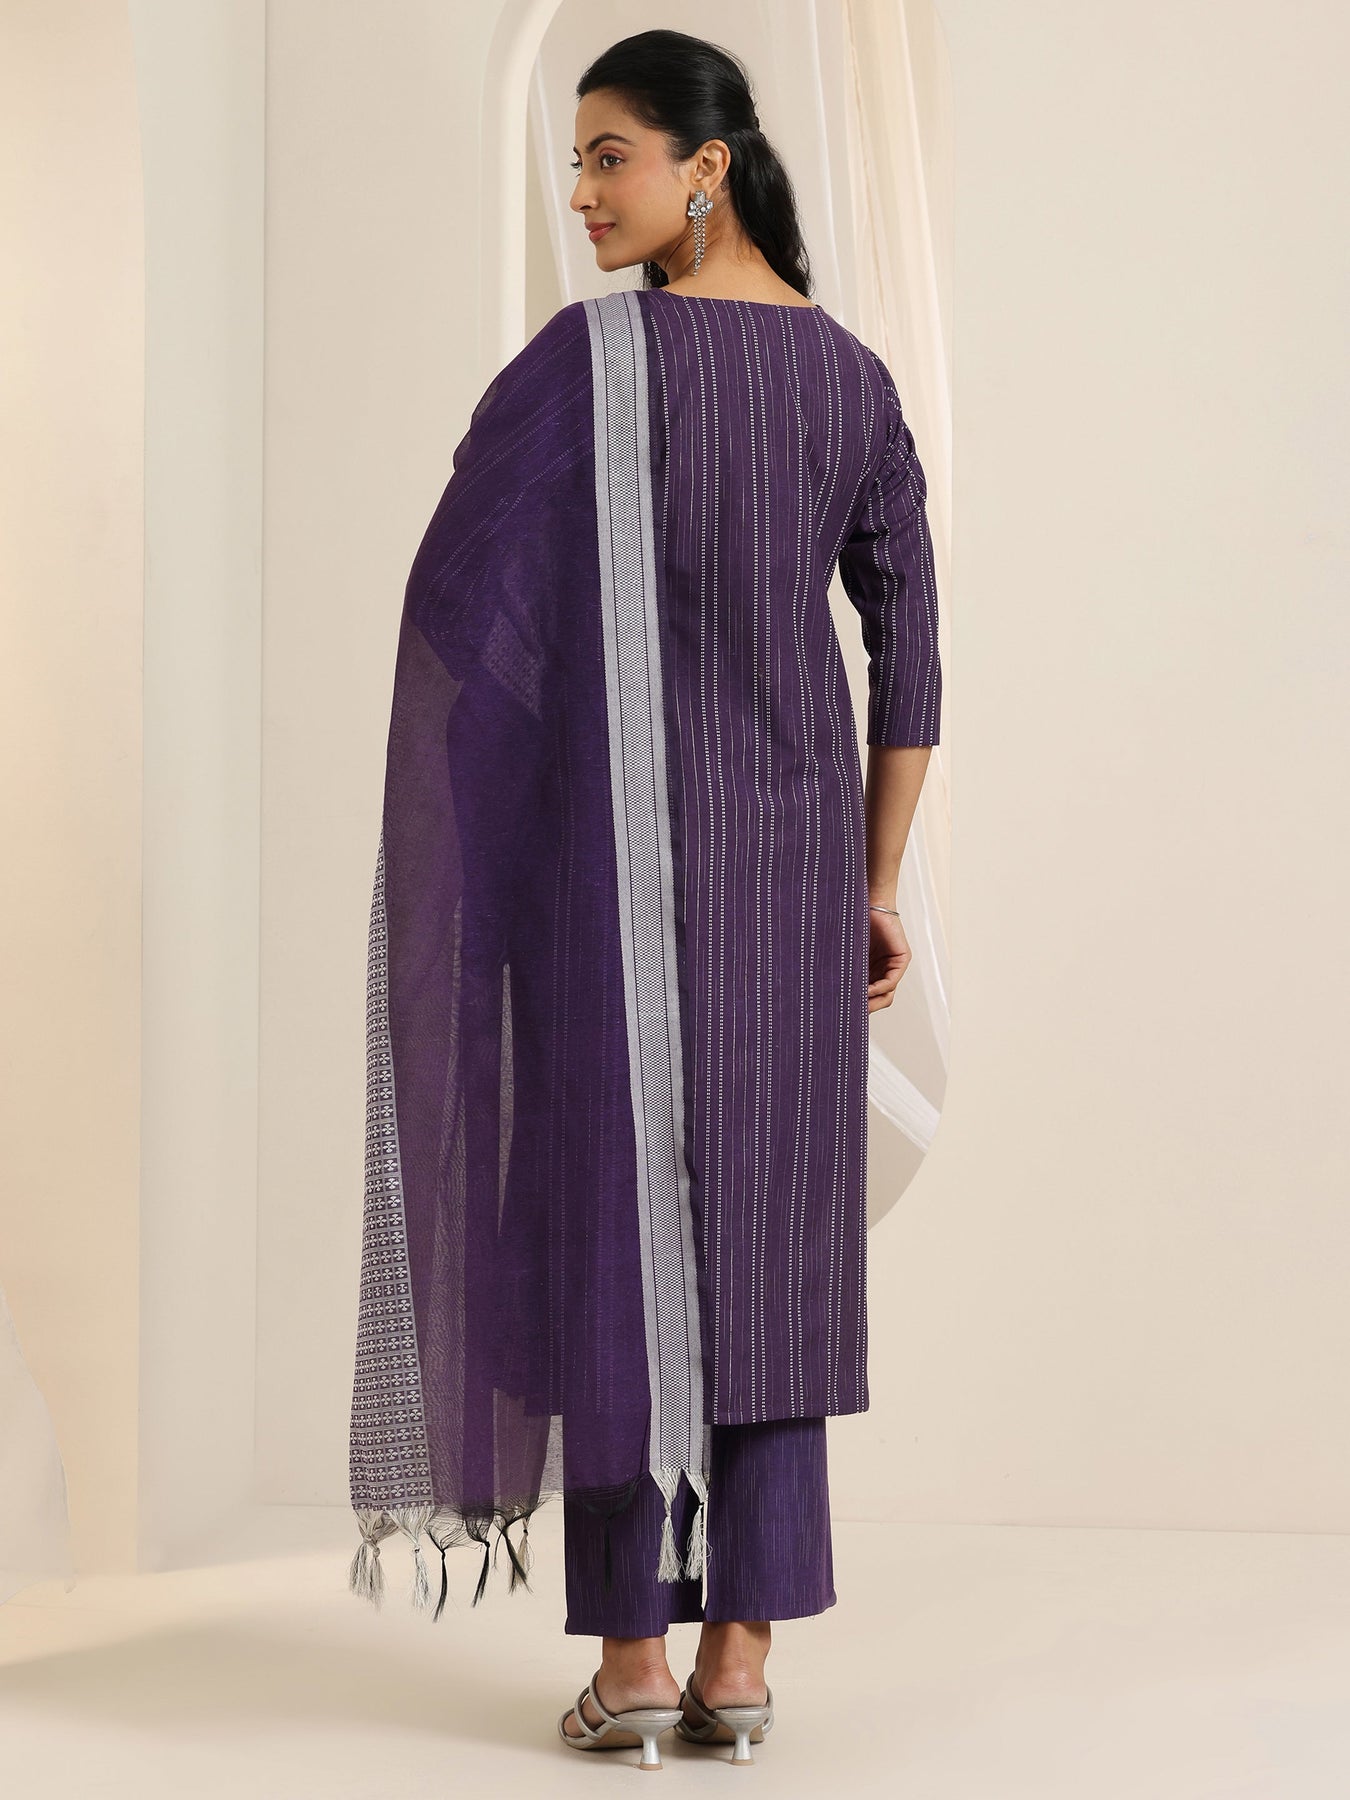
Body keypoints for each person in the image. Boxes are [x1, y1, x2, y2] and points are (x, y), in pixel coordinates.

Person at [346, 29, 941, 1773]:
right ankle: (736, 1664)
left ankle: (631, 1663)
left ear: (707, 167)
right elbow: (909, 659)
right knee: (769, 1246)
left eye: (610, 155)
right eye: (576, 159)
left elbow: (458, 606)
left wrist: (527, 785)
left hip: (611, 887)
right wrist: (872, 883)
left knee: (615, 1230)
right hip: (786, 890)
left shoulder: (591, 366)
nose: (583, 192)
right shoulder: (848, 384)